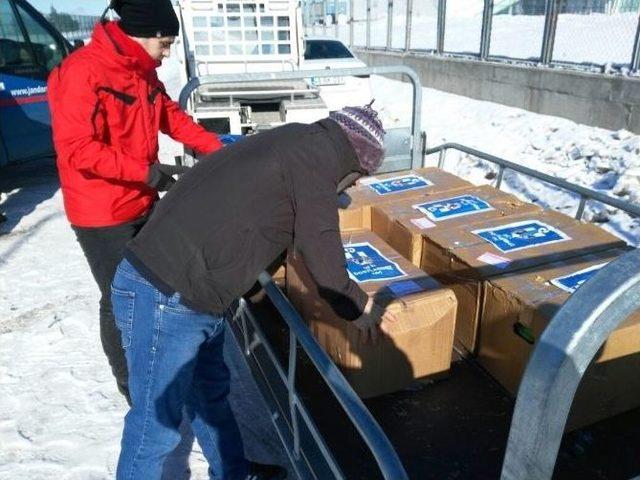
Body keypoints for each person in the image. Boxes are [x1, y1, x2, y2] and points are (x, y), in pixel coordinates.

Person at [110, 103, 395, 479]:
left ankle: (234, 473)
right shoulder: (316, 164)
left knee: (210, 400)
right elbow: (324, 256)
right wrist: (357, 309)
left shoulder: (299, 138)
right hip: (166, 292)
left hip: (195, 293)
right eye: (360, 175)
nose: (356, 185)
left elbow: (264, 211)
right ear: (354, 161)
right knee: (155, 428)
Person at [47, 0, 223, 404]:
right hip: (101, 213)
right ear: (140, 35)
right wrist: (146, 172)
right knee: (119, 297)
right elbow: (77, 149)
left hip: (141, 199)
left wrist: (218, 152)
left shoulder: (142, 71)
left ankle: (167, 350)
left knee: (165, 277)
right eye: (164, 43)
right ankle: (133, 388)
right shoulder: (83, 72)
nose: (167, 53)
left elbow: (172, 118)